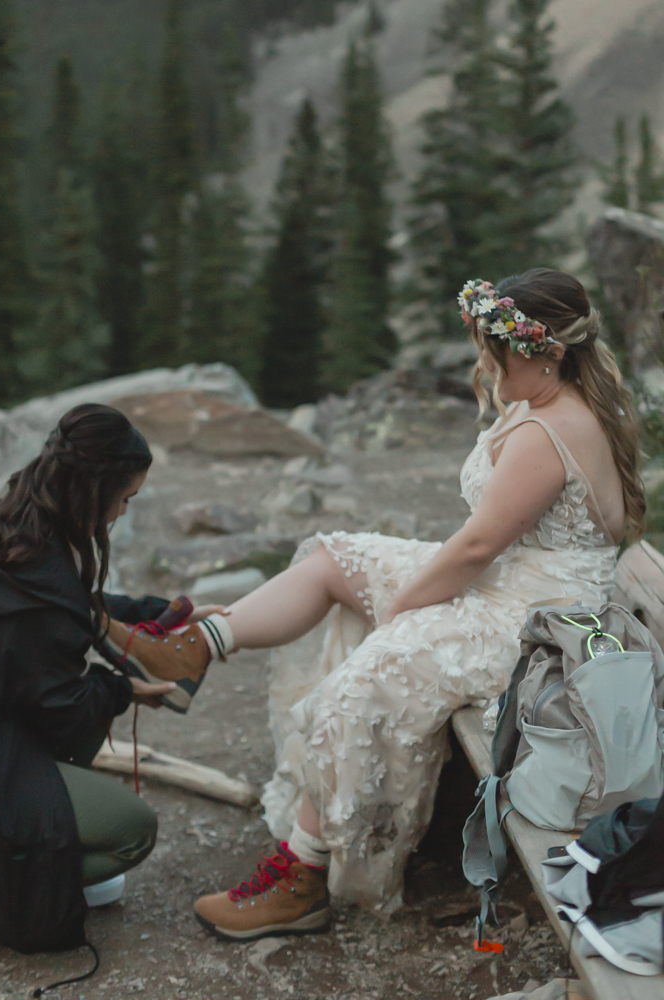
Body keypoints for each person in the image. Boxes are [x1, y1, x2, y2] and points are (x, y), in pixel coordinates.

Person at [122, 268, 645, 941]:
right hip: (510, 578)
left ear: (546, 350)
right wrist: (409, 593)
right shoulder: (544, 400)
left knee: (372, 672)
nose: (483, 360)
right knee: (336, 557)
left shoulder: (550, 432)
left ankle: (302, 876)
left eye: (496, 347)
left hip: (536, 617)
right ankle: (199, 645)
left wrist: (402, 611)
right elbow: (480, 547)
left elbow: (474, 546)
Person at [0, 403, 213, 963]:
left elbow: (78, 609)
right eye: (125, 498)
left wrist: (168, 613)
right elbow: (65, 708)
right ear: (95, 490)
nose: (124, 511)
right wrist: (127, 689)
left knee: (84, 741)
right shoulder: (41, 573)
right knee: (132, 831)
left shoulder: (13, 527)